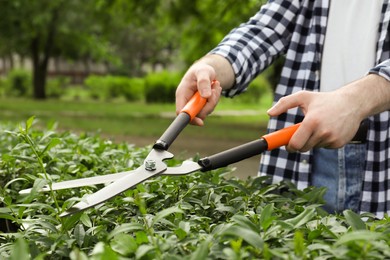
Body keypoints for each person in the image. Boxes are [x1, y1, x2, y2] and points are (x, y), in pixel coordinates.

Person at [175, 0, 390, 218]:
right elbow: (265, 30)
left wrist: (354, 102)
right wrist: (210, 67)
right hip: (299, 157)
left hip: (382, 164)